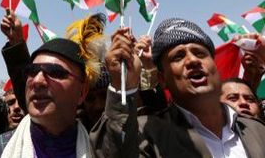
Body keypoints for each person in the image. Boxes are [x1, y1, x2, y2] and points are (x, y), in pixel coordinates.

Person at [91, 18, 265, 158]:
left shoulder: (257, 130)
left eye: (199, 53)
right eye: (178, 56)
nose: (192, 60)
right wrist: (124, 86)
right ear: (162, 79)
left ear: (215, 66)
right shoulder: (146, 134)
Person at [0, 13, 105, 157]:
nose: (37, 81)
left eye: (55, 72)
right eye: (32, 71)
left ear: (82, 93)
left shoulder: (101, 148)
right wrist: (17, 44)